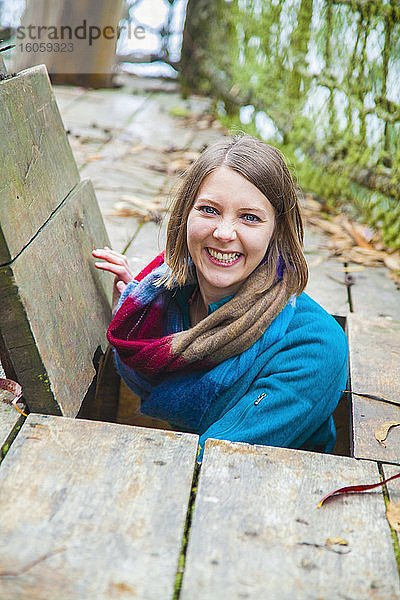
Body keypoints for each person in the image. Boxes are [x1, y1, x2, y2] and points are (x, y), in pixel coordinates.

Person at [92, 135, 348, 459]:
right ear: (186, 215)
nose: (224, 233)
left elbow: (215, 458)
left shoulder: (315, 346)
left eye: (250, 217)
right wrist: (142, 310)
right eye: (209, 210)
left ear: (277, 232)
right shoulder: (163, 299)